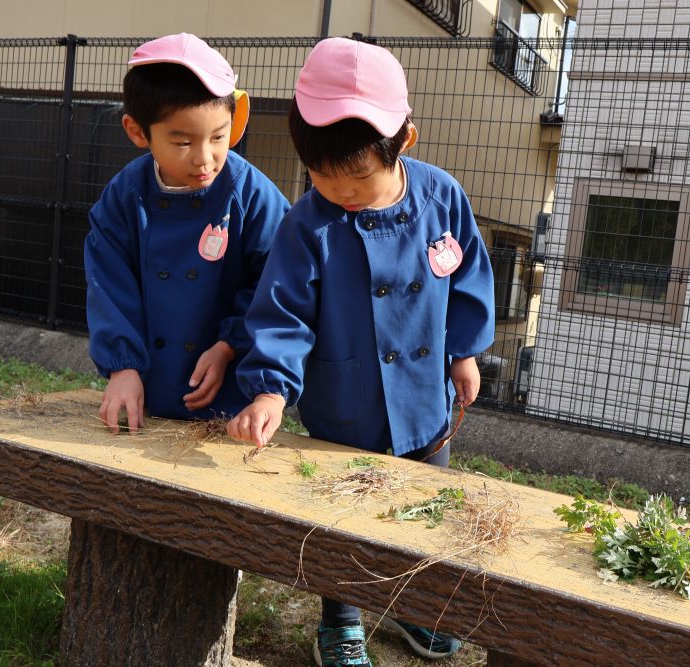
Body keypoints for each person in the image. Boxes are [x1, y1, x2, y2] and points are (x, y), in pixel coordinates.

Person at [228, 37, 495, 667]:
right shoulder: (308, 223)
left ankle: (419, 606)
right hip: (343, 405)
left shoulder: (442, 199)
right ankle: (341, 620)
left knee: (425, 512)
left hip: (425, 403)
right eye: (322, 176)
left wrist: (463, 352)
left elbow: (468, 278)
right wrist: (270, 386)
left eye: (357, 179)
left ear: (403, 141)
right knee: (341, 521)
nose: (339, 192)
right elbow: (283, 310)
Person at [85, 33, 290, 431]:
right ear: (137, 132)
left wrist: (229, 344)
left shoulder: (253, 194)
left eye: (218, 137)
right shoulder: (123, 197)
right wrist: (122, 367)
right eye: (182, 141)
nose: (205, 158)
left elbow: (277, 283)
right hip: (144, 392)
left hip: (229, 399)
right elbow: (108, 285)